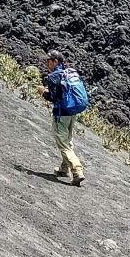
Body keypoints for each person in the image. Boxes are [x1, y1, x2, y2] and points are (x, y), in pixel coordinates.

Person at [38, 52, 88, 185]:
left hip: (61, 114)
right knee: (68, 139)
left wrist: (43, 92)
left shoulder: (53, 76)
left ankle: (77, 171)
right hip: (72, 112)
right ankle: (64, 169)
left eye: (48, 61)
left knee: (63, 144)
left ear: (55, 61)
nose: (46, 63)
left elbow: (54, 98)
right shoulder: (68, 72)